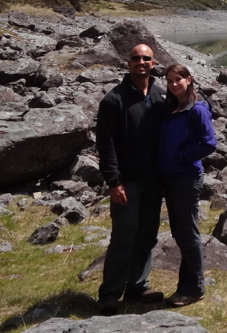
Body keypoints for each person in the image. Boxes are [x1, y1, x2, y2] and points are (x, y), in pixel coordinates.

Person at [94, 43, 167, 315]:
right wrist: (113, 182)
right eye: (136, 58)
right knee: (124, 235)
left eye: (146, 58)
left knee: (147, 234)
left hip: (154, 181)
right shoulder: (114, 100)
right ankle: (110, 293)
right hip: (127, 182)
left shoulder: (160, 97)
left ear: (153, 63)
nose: (141, 62)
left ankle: (138, 286)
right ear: (128, 63)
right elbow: (107, 145)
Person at [158, 63, 217, 307]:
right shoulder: (173, 107)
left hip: (186, 177)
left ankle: (193, 288)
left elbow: (209, 143)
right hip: (172, 177)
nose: (173, 85)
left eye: (177, 80)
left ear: (189, 80)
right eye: (169, 81)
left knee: (187, 233)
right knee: (181, 232)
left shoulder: (196, 110)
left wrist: (180, 156)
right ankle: (188, 285)